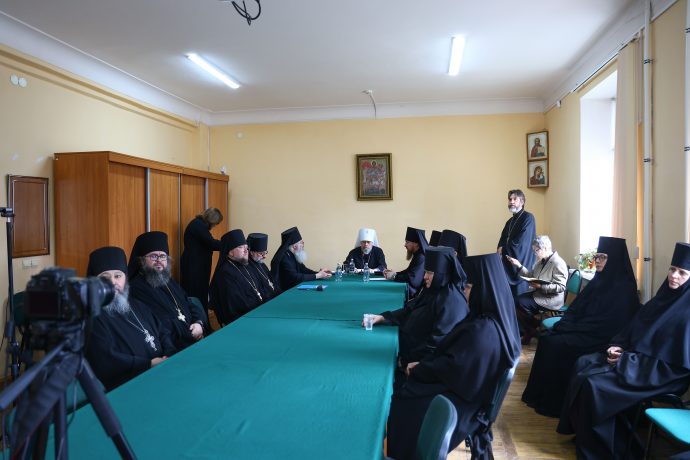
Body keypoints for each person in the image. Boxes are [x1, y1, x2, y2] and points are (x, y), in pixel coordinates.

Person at [557, 242, 690, 459]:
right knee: (583, 363)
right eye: (672, 269)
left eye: (682, 273)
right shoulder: (663, 298)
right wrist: (619, 346)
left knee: (595, 385)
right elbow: (635, 330)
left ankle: (605, 448)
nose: (674, 276)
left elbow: (675, 363)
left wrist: (625, 360)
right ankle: (585, 436)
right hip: (637, 361)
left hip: (661, 374)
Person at [386, 253, 521, 460]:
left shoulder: (483, 330)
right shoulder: (491, 321)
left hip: (460, 400)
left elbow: (453, 368)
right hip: (462, 387)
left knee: (401, 400)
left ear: (482, 290)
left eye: (468, 287)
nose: (464, 291)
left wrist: (420, 368)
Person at [521, 236, 639, 418]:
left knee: (556, 345)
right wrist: (566, 324)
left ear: (614, 259)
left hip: (600, 337)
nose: (597, 260)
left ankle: (553, 405)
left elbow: (610, 324)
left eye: (603, 257)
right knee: (547, 339)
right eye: (597, 256)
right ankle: (537, 397)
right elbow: (577, 309)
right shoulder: (598, 281)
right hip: (584, 329)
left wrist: (574, 327)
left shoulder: (624, 289)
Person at [365, 246, 469, 377]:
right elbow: (410, 310)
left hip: (419, 368)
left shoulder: (451, 301)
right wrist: (383, 317)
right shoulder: (434, 290)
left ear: (442, 273)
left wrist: (405, 361)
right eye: (425, 271)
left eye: (430, 273)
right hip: (407, 355)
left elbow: (436, 344)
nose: (424, 277)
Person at [85, 246, 175, 391]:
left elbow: (163, 332)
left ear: (125, 279)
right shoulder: (92, 316)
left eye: (118, 276)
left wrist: (168, 353)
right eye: (105, 278)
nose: (113, 282)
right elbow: (105, 359)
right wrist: (149, 364)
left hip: (161, 372)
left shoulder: (138, 305)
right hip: (130, 385)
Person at [128, 231, 207, 351]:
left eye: (163, 256)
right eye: (153, 256)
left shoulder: (168, 281)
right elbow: (159, 324)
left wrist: (199, 323)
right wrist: (191, 333)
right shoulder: (136, 288)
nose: (159, 260)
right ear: (142, 260)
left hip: (193, 336)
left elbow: (189, 304)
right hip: (172, 348)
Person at [505, 235, 567, 344]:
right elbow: (531, 276)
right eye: (534, 250)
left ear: (545, 248)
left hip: (551, 298)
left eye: (537, 250)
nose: (535, 253)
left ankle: (531, 329)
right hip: (539, 293)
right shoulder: (540, 262)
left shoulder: (558, 262)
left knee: (520, 303)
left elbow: (561, 287)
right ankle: (534, 327)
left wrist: (540, 286)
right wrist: (518, 265)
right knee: (514, 301)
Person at [208, 229, 267, 326]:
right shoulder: (225, 274)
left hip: (256, 312)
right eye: (241, 247)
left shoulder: (246, 266)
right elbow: (237, 305)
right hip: (242, 321)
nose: (246, 251)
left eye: (246, 247)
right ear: (230, 252)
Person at [180, 208, 223, 310]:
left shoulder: (198, 224)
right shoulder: (198, 225)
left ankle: (202, 318)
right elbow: (211, 243)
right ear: (212, 220)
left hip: (197, 265)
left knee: (201, 293)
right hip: (194, 266)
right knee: (196, 294)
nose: (214, 226)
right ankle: (198, 318)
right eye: (216, 223)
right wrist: (229, 243)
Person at [497, 189, 537, 299]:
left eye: (515, 199)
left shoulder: (528, 218)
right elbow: (503, 239)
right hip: (507, 265)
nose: (511, 202)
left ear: (522, 202)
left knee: (519, 300)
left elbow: (522, 242)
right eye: (510, 199)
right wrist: (500, 247)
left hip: (521, 263)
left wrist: (504, 249)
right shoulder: (509, 222)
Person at [270, 226, 331, 291]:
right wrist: (318, 275)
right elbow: (295, 277)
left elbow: (304, 270)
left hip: (294, 287)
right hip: (287, 291)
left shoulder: (293, 254)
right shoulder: (284, 258)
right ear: (294, 246)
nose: (303, 245)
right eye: (301, 243)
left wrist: (320, 273)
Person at [383, 227, 428, 299]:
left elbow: (414, 280)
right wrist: (395, 273)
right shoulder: (417, 255)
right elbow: (408, 272)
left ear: (416, 244)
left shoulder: (421, 257)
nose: (405, 245)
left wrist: (394, 276)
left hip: (413, 295)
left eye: (407, 242)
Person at [247, 232, 279, 301]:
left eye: (265, 252)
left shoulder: (261, 264)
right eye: (261, 253)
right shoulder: (248, 267)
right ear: (251, 252)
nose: (265, 256)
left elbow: (271, 280)